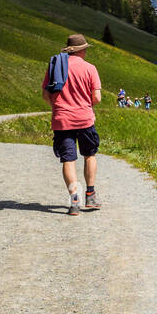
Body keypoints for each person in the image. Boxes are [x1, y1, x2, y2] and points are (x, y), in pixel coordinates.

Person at [42, 33, 103, 216]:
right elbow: (97, 98)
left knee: (68, 159)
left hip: (62, 120)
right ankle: (90, 196)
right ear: (82, 50)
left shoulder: (55, 67)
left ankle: (74, 200)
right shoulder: (90, 68)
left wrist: (59, 108)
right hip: (84, 119)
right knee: (89, 155)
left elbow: (46, 95)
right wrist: (84, 106)